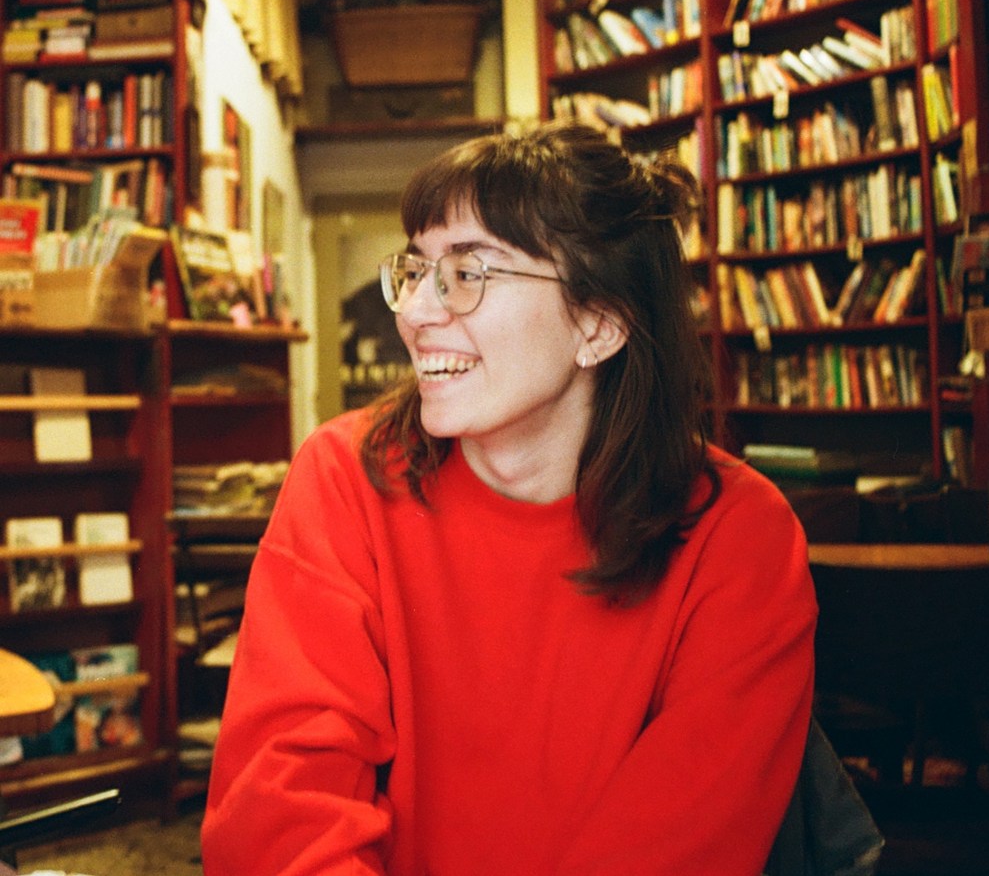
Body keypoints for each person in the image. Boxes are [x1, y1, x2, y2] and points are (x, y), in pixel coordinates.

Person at [201, 122, 818, 875]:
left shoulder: (740, 537)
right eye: (416, 270)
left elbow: (677, 848)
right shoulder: (344, 477)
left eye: (468, 272)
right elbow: (280, 810)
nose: (414, 312)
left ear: (600, 322)